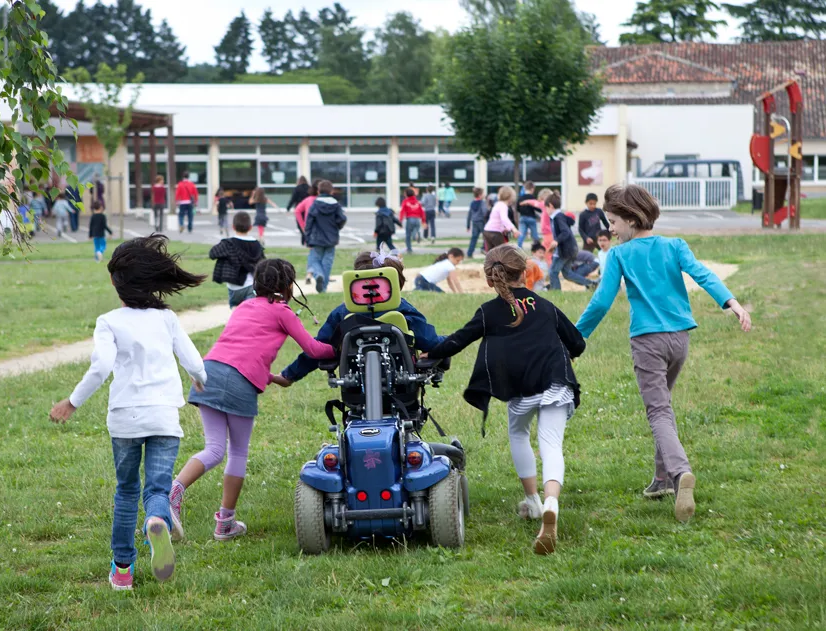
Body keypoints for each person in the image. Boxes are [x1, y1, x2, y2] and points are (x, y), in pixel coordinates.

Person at [575, 184, 752, 523]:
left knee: (657, 412)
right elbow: (703, 274)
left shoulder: (619, 255)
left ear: (630, 218)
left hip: (648, 342)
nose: (610, 229)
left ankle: (681, 473)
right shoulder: (675, 245)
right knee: (664, 406)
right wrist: (732, 303)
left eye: (612, 221)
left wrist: (576, 338)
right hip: (679, 340)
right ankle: (661, 480)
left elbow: (601, 302)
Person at [48, 235, 208, 591]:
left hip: (124, 418)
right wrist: (199, 379)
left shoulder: (109, 321)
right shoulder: (166, 319)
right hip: (164, 417)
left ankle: (122, 571)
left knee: (126, 491)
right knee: (157, 487)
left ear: (116, 283)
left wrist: (72, 402)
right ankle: (157, 521)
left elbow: (102, 365)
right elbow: (195, 361)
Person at [422, 244, 585, 555]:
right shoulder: (546, 305)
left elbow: (457, 340)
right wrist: (571, 354)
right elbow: (577, 342)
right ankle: (552, 502)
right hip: (555, 380)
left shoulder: (488, 311)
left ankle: (534, 502)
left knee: (519, 435)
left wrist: (431, 352)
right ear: (525, 273)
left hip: (520, 389)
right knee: (551, 443)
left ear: (489, 280)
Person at [168, 259, 335, 542]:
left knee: (213, 449)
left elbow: (238, 351)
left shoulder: (244, 306)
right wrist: (344, 342)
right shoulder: (283, 312)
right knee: (237, 453)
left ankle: (173, 492)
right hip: (238, 386)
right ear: (287, 286)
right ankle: (225, 523)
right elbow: (314, 349)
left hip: (208, 374)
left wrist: (272, 377)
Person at [279, 251, 445, 385]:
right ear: (395, 284)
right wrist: (446, 342)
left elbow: (319, 348)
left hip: (355, 383)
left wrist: (289, 375)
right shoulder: (404, 310)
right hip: (401, 382)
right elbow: (430, 342)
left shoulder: (342, 313)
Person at [209, 211, 265, 309]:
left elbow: (212, 253)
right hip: (251, 285)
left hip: (233, 287)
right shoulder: (257, 245)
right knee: (250, 314)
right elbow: (263, 264)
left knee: (236, 314)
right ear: (250, 227)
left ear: (233, 227)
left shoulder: (228, 244)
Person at [304, 180, 347, 294]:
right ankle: (323, 287)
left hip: (316, 237)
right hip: (331, 238)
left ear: (318, 191)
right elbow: (342, 218)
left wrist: (307, 237)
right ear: (331, 191)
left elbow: (309, 222)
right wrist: (336, 226)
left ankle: (318, 275)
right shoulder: (336, 205)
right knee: (327, 262)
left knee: (314, 260)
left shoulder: (315, 204)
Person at [548, 193, 595, 291]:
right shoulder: (559, 216)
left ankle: (555, 292)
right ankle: (591, 284)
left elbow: (565, 232)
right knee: (567, 273)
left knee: (553, 272)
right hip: (570, 249)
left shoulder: (558, 217)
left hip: (565, 251)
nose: (546, 210)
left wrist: (556, 241)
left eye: (546, 208)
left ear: (550, 206)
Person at [482, 186, 518, 252]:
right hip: (495, 233)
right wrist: (514, 229)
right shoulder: (503, 206)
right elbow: (504, 219)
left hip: (487, 231)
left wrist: (503, 229)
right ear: (510, 197)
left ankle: (490, 262)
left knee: (491, 254)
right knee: (502, 253)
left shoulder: (497, 204)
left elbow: (496, 220)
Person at [399, 187, 426, 254]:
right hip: (417, 219)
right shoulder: (417, 202)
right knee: (415, 230)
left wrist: (400, 221)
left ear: (406, 194)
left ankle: (409, 249)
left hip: (410, 219)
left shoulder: (405, 201)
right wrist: (423, 221)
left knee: (408, 235)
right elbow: (422, 212)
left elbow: (402, 211)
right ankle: (416, 234)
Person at [516, 181, 541, 248]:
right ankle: (537, 248)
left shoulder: (520, 198)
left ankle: (518, 249)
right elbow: (538, 208)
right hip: (531, 218)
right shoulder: (533, 198)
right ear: (532, 189)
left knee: (521, 234)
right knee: (534, 235)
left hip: (522, 218)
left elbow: (517, 208)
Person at [294, 182, 318, 249]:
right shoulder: (325, 200)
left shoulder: (308, 199)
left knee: (313, 253)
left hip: (310, 228)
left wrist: (302, 226)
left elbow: (297, 211)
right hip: (323, 231)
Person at [466, 188, 488, 258]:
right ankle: (483, 248)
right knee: (486, 237)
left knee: (474, 238)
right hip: (482, 222)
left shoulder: (472, 203)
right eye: (483, 193)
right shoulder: (482, 203)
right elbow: (485, 213)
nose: (484, 195)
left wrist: (468, 226)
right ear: (480, 195)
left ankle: (469, 253)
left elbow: (469, 214)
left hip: (474, 222)